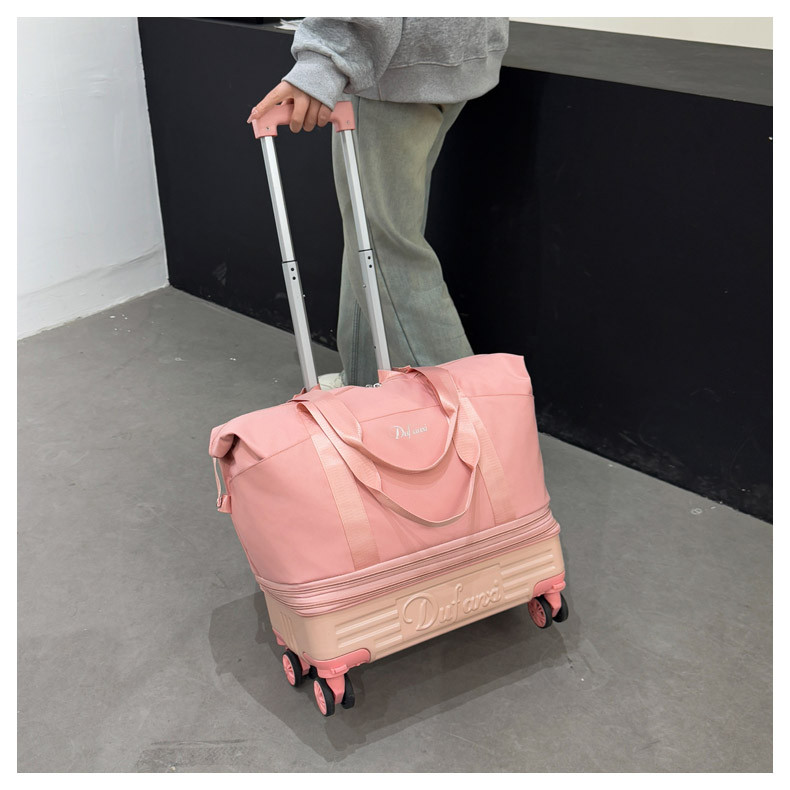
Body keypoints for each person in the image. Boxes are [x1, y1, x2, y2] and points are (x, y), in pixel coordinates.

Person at [247, 17, 510, 388]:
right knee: (369, 235)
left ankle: (472, 409)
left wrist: (322, 59)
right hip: (448, 48)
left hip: (388, 67)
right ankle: (365, 381)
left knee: (387, 251)